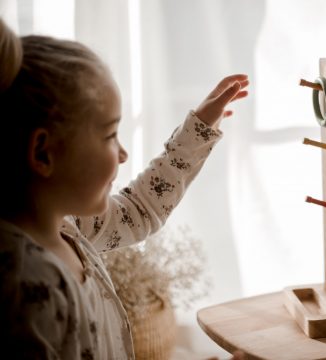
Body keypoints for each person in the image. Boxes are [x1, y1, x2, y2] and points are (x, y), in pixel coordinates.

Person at [0, 18, 247, 359]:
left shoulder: (70, 227)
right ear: (43, 152)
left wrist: (198, 132)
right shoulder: (26, 288)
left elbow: (140, 210)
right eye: (109, 135)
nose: (122, 153)